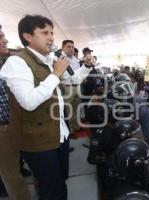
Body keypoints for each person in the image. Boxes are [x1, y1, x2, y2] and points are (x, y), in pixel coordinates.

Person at [0, 15, 93, 199]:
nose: (51, 37)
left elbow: (73, 80)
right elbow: (28, 101)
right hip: (38, 141)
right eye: (44, 32)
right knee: (50, 188)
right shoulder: (16, 62)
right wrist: (55, 74)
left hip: (60, 132)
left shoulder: (50, 58)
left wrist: (87, 67)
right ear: (28, 36)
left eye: (52, 32)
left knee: (61, 180)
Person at [0, 25, 30, 200]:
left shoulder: (10, 61)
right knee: (12, 177)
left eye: (4, 35)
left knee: (37, 167)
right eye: (0, 37)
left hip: (21, 123)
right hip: (3, 130)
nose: (5, 40)